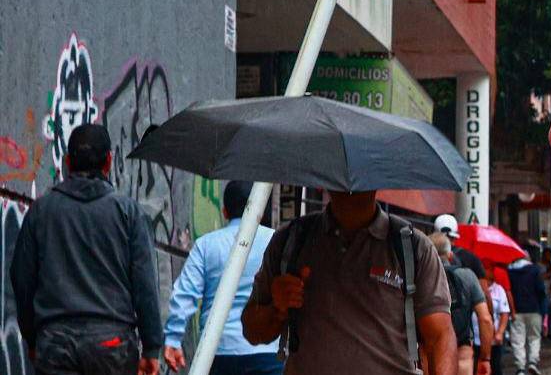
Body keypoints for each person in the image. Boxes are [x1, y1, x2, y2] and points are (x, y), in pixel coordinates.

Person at [240, 190, 456, 375]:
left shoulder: (412, 247)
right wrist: (277, 308)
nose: (351, 187)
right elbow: (253, 332)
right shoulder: (291, 240)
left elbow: (439, 338)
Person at [11, 124, 162, 375]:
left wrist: (33, 337)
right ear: (109, 161)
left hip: (55, 343)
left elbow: (22, 279)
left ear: (68, 162)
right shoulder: (128, 212)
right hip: (112, 344)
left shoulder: (41, 211)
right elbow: (145, 283)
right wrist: (151, 347)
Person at [163, 180, 283, 374]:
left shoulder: (206, 245)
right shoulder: (276, 241)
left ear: (225, 212)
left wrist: (172, 339)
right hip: (267, 351)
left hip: (217, 351)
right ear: (260, 209)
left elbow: (184, 293)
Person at [431, 232, 493, 375]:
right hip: (462, 351)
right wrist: (485, 358)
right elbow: (485, 319)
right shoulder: (467, 276)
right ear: (450, 255)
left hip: (430, 352)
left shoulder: (419, 278)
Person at [506, 254, 547, 375]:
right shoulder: (535, 270)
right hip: (534, 309)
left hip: (516, 310)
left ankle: (520, 368)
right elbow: (541, 291)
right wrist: (544, 311)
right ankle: (533, 362)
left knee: (518, 340)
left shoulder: (510, 272)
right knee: (534, 338)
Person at [474, 271, 510, 375]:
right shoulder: (474, 288)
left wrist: (500, 332)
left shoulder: (498, 289)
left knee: (495, 367)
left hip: (493, 338)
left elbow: (504, 313)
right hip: (476, 338)